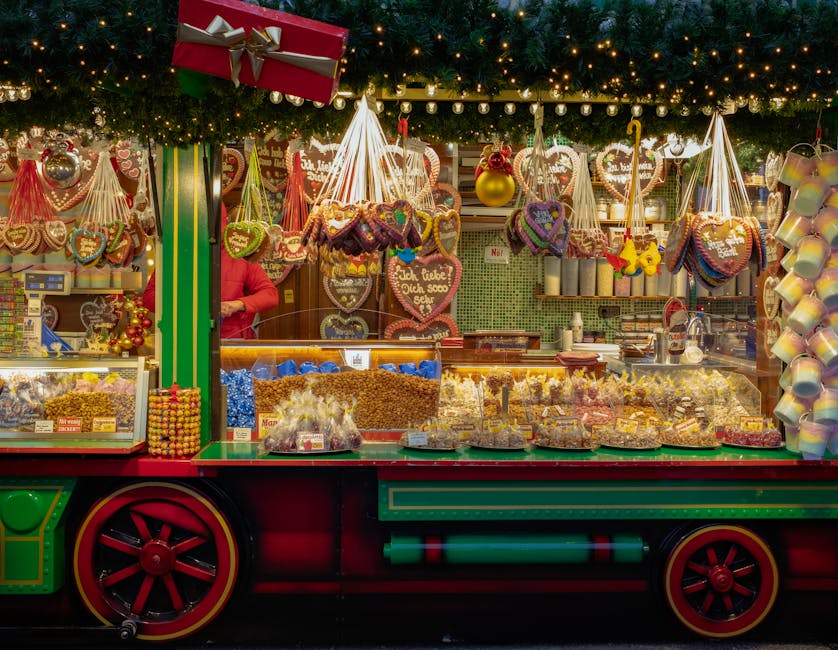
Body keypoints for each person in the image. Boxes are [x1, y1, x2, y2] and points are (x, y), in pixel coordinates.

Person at [142, 204, 279, 339]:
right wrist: (185, 304)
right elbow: (149, 297)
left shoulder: (239, 253)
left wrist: (238, 304)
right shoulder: (176, 254)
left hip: (230, 342)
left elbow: (270, 295)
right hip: (186, 339)